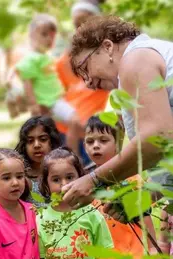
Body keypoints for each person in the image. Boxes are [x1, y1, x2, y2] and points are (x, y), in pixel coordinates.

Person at [62, 15, 173, 210]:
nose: (87, 82)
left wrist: (94, 180)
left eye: (85, 68)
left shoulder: (135, 60)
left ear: (107, 47)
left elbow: (157, 139)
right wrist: (138, 201)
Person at [84, 116, 157, 259]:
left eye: (103, 140)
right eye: (90, 141)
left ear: (118, 143)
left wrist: (153, 250)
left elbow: (145, 217)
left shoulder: (131, 180)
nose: (96, 145)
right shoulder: (85, 183)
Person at [37, 147, 113, 259]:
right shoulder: (40, 220)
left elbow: (100, 258)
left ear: (81, 178)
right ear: (46, 184)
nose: (64, 184)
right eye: (56, 179)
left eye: (70, 177)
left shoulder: (92, 214)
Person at [14, 14, 82, 152]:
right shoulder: (31, 59)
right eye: (44, 34)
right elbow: (27, 83)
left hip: (55, 101)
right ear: (31, 36)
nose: (49, 39)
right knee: (75, 121)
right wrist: (33, 105)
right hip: (50, 102)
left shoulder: (46, 57)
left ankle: (61, 156)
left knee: (49, 133)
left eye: (52, 36)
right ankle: (74, 156)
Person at [56, 0, 109, 165]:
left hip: (96, 132)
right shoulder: (66, 59)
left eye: (85, 21)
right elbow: (57, 94)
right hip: (68, 131)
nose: (81, 27)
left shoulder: (108, 52)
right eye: (76, 23)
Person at [15, 116, 62, 206]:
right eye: (30, 141)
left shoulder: (65, 170)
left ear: (52, 141)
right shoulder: (20, 177)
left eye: (43, 139)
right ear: (24, 145)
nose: (36, 145)